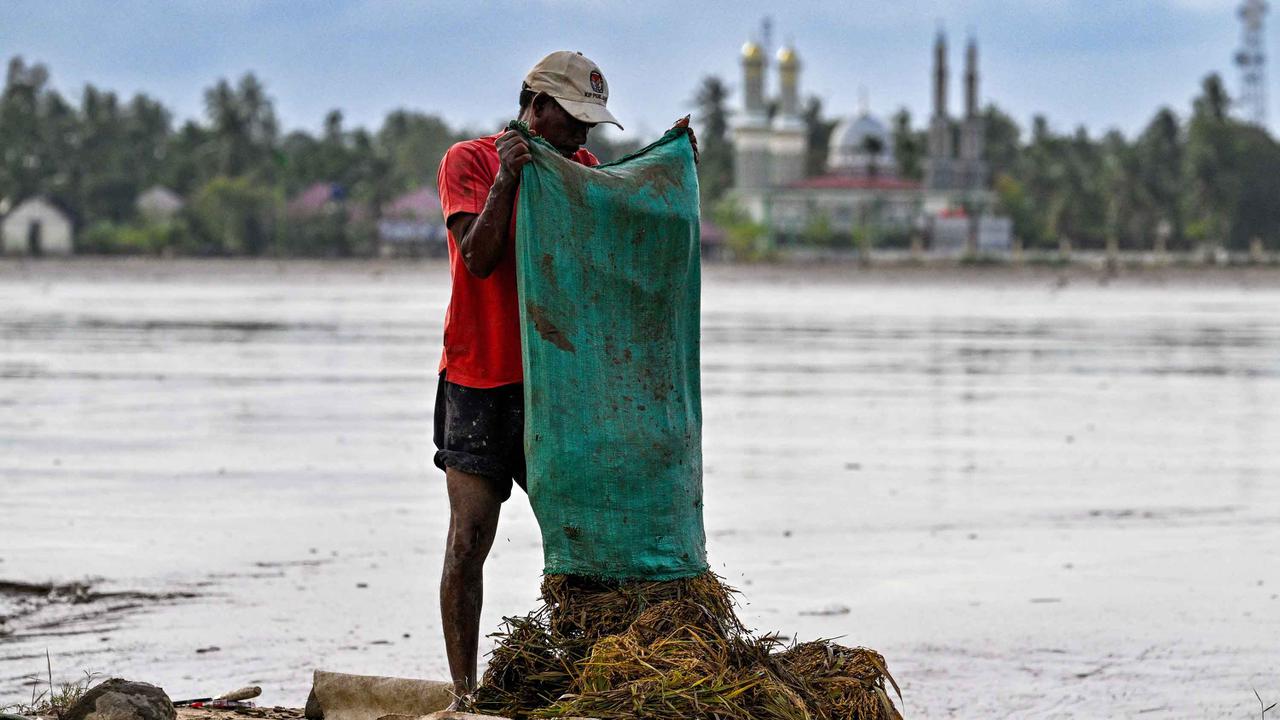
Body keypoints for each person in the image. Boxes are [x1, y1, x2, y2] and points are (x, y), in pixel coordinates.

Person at [433, 50, 696, 702]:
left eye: (589, 122)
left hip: (560, 388)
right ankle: (465, 694)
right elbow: (479, 259)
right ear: (535, 104)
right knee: (470, 537)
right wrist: (507, 183)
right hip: (478, 378)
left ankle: (588, 675)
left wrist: (671, 168)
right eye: (572, 118)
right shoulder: (469, 162)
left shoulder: (581, 173)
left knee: (582, 539)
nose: (582, 135)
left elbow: (627, 239)